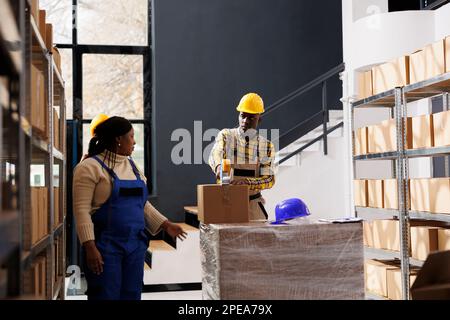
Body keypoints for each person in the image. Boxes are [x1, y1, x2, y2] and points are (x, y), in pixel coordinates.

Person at [73, 115, 187, 300]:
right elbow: (81, 211)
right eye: (132, 137)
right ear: (118, 139)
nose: (134, 142)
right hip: (105, 247)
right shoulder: (89, 167)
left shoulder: (132, 166)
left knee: (132, 295)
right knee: (106, 295)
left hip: (135, 245)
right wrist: (90, 247)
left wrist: (166, 225)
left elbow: (142, 204)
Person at [208, 93, 276, 220]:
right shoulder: (226, 136)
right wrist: (218, 166)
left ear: (259, 120)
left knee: (255, 240)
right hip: (226, 204)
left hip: (253, 208)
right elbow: (215, 153)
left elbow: (269, 179)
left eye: (251, 118)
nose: (245, 121)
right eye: (242, 116)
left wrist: (247, 183)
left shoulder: (266, 146)